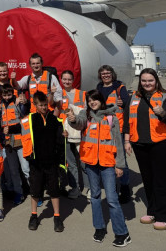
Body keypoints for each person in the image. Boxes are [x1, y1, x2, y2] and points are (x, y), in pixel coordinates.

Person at [68, 90, 131, 247]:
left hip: (108, 164)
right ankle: (99, 228)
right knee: (95, 197)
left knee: (112, 199)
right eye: (89, 100)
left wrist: (120, 165)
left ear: (101, 100)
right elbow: (79, 123)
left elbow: (118, 143)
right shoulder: (86, 115)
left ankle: (122, 233)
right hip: (91, 163)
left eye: (94, 99)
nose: (92, 102)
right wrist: (73, 120)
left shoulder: (111, 118)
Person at [123, 68, 166, 230]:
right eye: (144, 80)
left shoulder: (165, 96)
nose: (147, 83)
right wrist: (127, 141)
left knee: (162, 180)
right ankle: (153, 211)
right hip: (140, 145)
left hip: (161, 144)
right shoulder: (134, 97)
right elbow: (127, 120)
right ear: (140, 82)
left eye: (150, 80)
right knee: (148, 179)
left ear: (156, 81)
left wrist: (163, 112)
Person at [25, 92, 64, 233]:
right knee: (35, 190)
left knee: (54, 190)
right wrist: (8, 129)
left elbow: (61, 135)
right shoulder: (31, 119)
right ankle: (34, 215)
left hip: (52, 162)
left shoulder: (54, 119)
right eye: (40, 105)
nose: (43, 107)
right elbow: (20, 128)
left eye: (45, 105)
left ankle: (57, 216)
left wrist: (64, 134)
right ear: (35, 105)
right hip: (36, 162)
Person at [96, 65, 131, 204]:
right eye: (103, 73)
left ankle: (125, 187)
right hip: (103, 129)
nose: (105, 75)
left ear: (112, 74)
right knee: (108, 158)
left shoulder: (119, 87)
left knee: (121, 159)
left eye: (108, 73)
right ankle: (113, 187)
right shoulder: (99, 88)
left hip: (118, 129)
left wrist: (123, 102)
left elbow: (128, 104)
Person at [59, 70, 89, 199]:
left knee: (84, 162)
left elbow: (87, 114)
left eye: (69, 79)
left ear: (73, 80)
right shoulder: (58, 95)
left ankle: (89, 187)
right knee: (71, 163)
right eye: (64, 79)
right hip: (66, 133)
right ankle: (75, 188)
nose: (67, 82)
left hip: (81, 133)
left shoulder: (82, 94)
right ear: (61, 80)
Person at [0, 84, 26, 206]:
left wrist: (23, 102)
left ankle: (36, 193)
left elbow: (23, 119)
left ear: (12, 94)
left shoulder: (17, 103)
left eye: (9, 95)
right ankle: (18, 193)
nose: (7, 97)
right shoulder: (1, 106)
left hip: (20, 141)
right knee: (13, 171)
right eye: (4, 95)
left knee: (26, 169)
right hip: (8, 143)